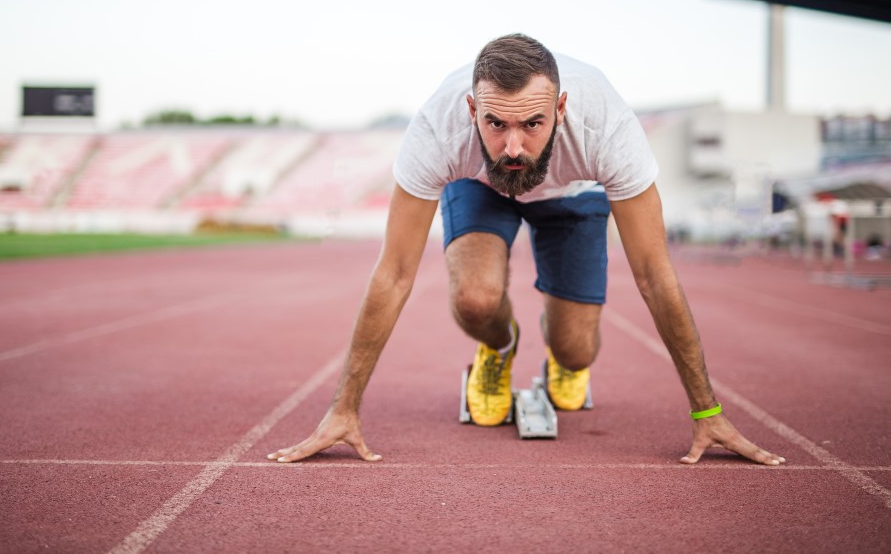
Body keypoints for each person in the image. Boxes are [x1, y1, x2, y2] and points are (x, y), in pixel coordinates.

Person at [268, 34, 785, 466]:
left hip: (574, 193)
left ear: (561, 109)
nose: (513, 146)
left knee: (576, 349)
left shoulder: (607, 128)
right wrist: (344, 408)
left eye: (532, 124)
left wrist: (705, 412)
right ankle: (498, 348)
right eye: (496, 124)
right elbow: (395, 273)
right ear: (472, 110)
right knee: (475, 297)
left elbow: (654, 272)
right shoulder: (437, 131)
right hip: (480, 186)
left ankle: (561, 355)